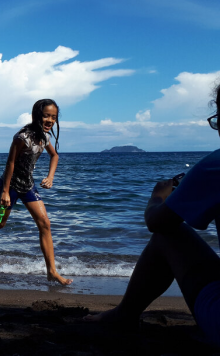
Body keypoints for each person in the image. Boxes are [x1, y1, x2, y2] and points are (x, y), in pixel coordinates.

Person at [86, 86, 220, 347]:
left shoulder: (214, 166)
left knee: (167, 235)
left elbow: (157, 222)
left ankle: (124, 315)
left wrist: (157, 196)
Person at [0, 99, 72, 285]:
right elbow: (10, 163)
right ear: (37, 116)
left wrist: (50, 177)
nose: (50, 120)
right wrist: (4, 192)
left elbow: (54, 155)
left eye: (54, 117)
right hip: (9, 187)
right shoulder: (22, 137)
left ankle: (52, 271)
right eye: (46, 116)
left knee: (45, 224)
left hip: (28, 186)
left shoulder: (46, 136)